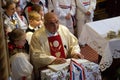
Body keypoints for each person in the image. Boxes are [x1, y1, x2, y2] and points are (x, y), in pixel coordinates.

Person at [29, 12, 84, 79]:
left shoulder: (64, 30)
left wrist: (75, 52)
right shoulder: (37, 36)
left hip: (66, 64)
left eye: (57, 22)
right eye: (51, 23)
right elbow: (36, 55)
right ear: (45, 24)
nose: (55, 26)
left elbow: (74, 43)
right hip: (49, 68)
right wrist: (53, 60)